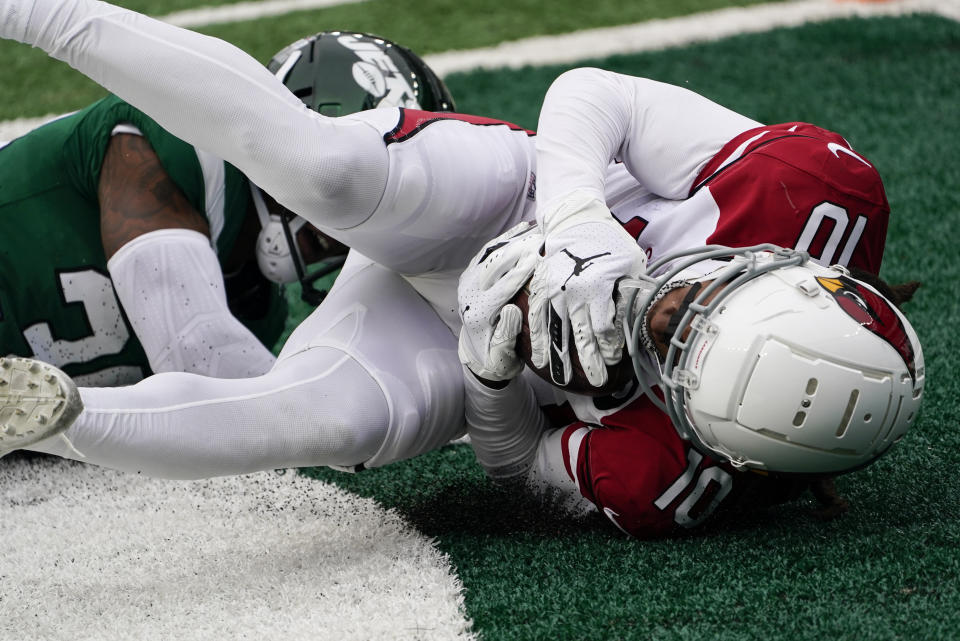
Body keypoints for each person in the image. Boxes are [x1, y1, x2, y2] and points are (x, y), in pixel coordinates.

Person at [0, 0, 923, 538]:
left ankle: (52, 416)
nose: (659, 316)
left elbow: (517, 464)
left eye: (672, 358)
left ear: (711, 436)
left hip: (484, 334)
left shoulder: (669, 479)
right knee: (327, 170)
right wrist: (577, 217)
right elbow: (592, 94)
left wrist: (488, 375)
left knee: (319, 419)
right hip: (510, 194)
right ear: (771, 268)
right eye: (696, 304)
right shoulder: (813, 193)